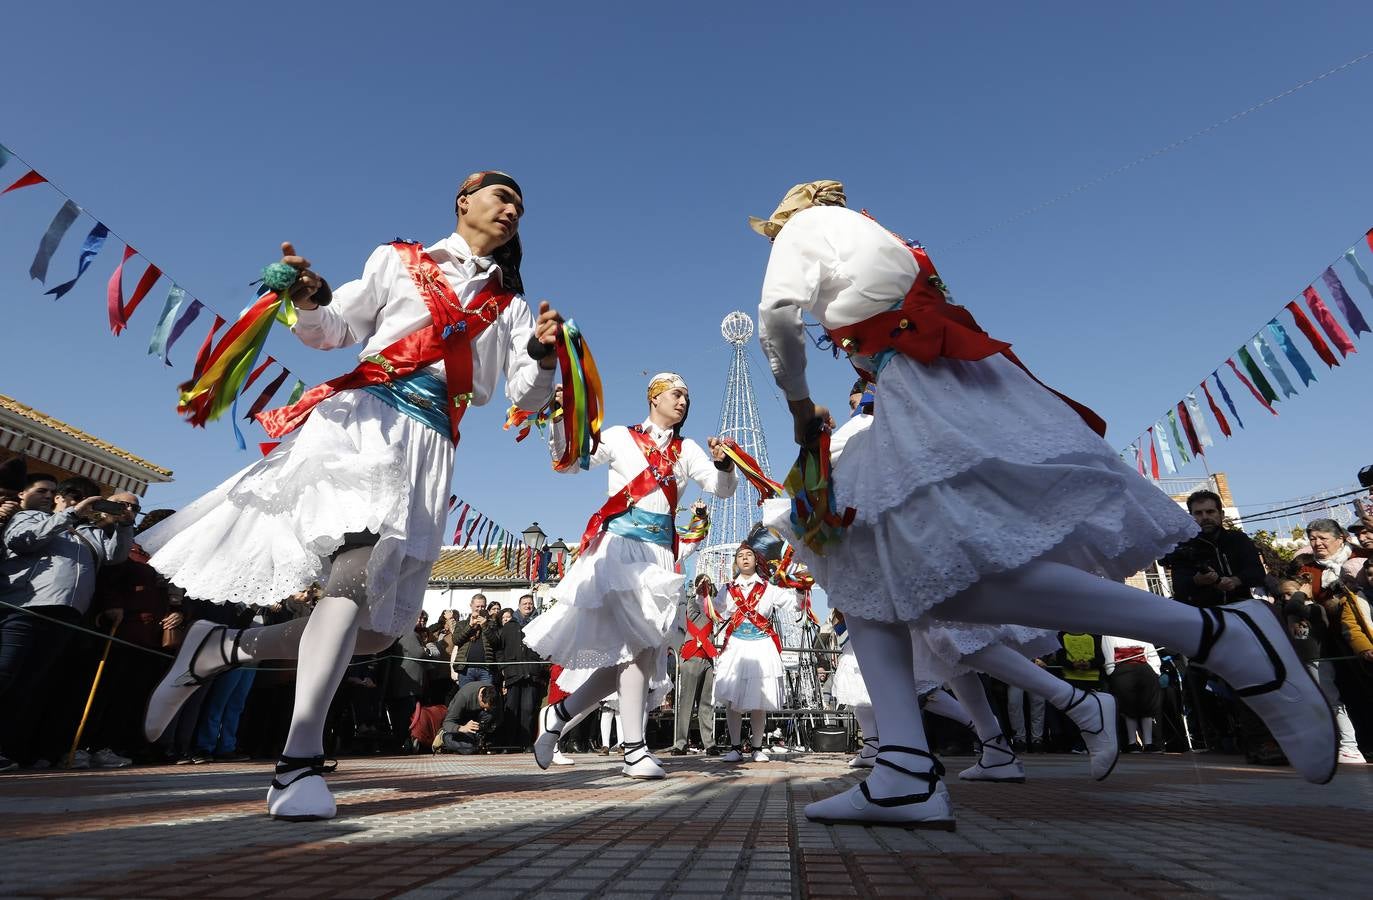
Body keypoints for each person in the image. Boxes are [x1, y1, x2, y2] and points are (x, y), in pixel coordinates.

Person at [752, 180, 1335, 828]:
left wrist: (801, 408)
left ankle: (1213, 634)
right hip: (937, 375)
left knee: (894, 565)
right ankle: (903, 770)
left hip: (922, 382)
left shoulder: (808, 229)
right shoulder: (872, 235)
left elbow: (776, 315)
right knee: (874, 568)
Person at [139, 171, 562, 820]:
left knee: (372, 634)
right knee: (355, 571)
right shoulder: (399, 260)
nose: (511, 211)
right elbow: (333, 330)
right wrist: (309, 297)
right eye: (502, 197)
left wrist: (540, 353)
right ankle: (297, 763)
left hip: (431, 453)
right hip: (365, 423)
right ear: (463, 201)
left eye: (519, 206)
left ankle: (220, 648)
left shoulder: (508, 305)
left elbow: (520, 396)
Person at [526, 372, 738, 779]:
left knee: (636, 654)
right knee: (639, 649)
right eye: (676, 394)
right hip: (621, 549)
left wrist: (724, 464)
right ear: (654, 397)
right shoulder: (622, 437)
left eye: (687, 397)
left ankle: (559, 714)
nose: (683, 402)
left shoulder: (687, 449)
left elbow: (720, 488)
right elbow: (571, 460)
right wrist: (559, 417)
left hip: (659, 556)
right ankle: (634, 750)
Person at [0, 475, 135, 769]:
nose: (77, 500)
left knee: (32, 684)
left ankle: (10, 749)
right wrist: (71, 514)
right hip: (26, 607)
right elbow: (22, 541)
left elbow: (116, 555)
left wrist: (124, 524)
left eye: (85, 497)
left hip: (68, 615)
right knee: (5, 675)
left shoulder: (90, 532)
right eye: (71, 495)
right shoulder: (31, 516)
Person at [712, 544, 793, 762]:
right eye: (740, 556)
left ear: (756, 560)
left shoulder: (768, 588)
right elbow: (714, 610)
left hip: (761, 644)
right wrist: (704, 597)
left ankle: (757, 747)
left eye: (749, 555)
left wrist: (802, 587)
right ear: (736, 562)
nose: (745, 558)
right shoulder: (727, 589)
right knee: (732, 698)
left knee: (760, 698)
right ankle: (735, 747)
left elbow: (792, 603)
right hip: (736, 644)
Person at [1166, 490, 1266, 608]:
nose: (1205, 517)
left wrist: (1235, 580)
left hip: (1242, 610)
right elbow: (1179, 586)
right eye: (1198, 513)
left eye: (1210, 512)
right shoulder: (1183, 546)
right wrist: (1197, 581)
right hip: (1204, 615)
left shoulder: (1238, 539)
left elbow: (1257, 573)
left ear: (1221, 514)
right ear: (1191, 518)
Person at [672, 574, 719, 755]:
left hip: (707, 659)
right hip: (691, 657)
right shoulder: (693, 604)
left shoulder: (713, 608)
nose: (705, 585)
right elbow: (692, 611)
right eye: (702, 581)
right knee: (686, 702)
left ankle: (709, 743)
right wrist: (698, 592)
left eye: (708, 582)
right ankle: (680, 743)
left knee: (706, 704)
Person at [1101, 635, 1163, 752]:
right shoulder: (1109, 631)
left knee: (1147, 707)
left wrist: (1154, 671)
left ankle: (1149, 743)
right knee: (1128, 708)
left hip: (1144, 670)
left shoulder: (1139, 629)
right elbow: (1108, 652)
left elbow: (1151, 651)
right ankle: (1132, 742)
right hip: (1122, 670)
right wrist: (1112, 671)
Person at [440, 682, 501, 754]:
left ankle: (479, 740)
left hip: (477, 724)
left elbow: (499, 718)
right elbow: (447, 722)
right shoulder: (464, 696)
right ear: (481, 696)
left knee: (489, 715)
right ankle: (444, 738)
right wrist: (462, 728)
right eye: (483, 706)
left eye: (487, 708)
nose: (485, 710)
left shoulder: (495, 694)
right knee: (469, 748)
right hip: (461, 724)